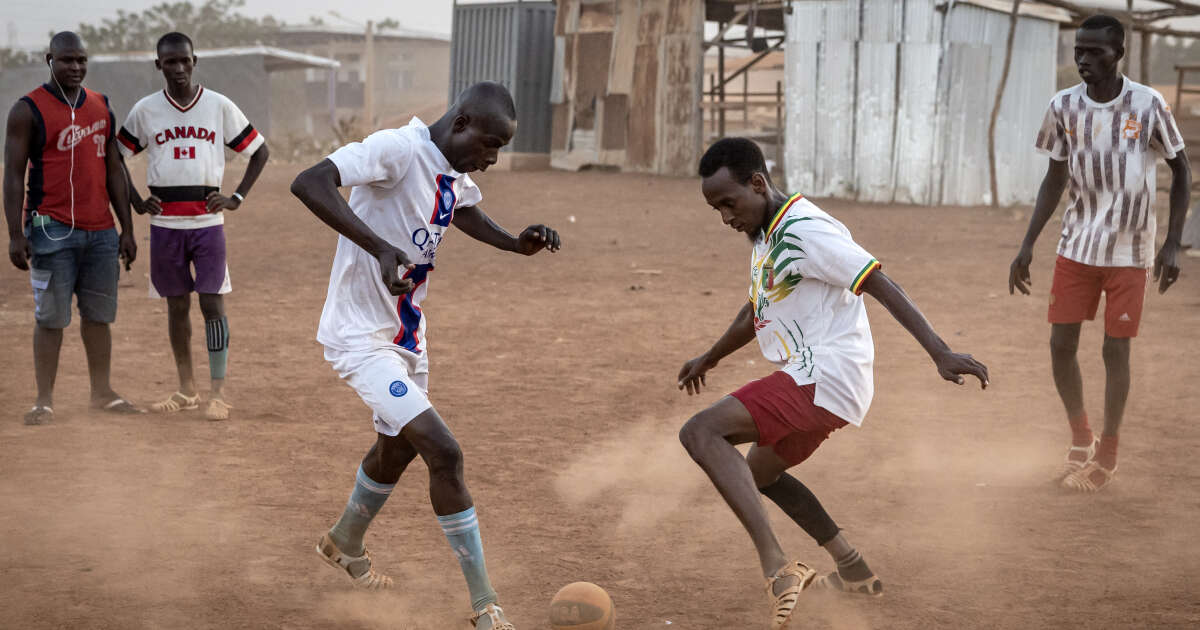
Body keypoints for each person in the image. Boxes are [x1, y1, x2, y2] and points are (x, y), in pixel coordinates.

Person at [677, 138, 988, 629]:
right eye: (716, 208)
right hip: (818, 382)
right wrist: (708, 358)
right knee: (758, 475)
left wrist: (939, 351)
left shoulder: (807, 230)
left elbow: (878, 281)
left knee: (700, 432)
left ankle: (779, 568)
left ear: (758, 183)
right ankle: (851, 565)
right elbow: (754, 311)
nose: (724, 217)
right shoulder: (766, 234)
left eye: (728, 203)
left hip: (823, 376)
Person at [290, 81, 560, 630]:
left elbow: (458, 208)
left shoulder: (452, 170)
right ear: (460, 123)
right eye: (490, 144)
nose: (493, 158)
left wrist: (514, 243)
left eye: (500, 148)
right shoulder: (397, 148)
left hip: (407, 338)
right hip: (361, 338)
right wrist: (380, 246)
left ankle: (344, 541)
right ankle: (487, 607)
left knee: (399, 449)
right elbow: (309, 181)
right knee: (444, 451)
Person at [1009, 14, 1190, 493]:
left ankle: (1107, 453)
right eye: (1078, 52)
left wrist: (1173, 242)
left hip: (1131, 249)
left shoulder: (1147, 104)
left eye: (1095, 52)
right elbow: (1055, 177)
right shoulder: (1063, 106)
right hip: (1077, 244)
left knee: (1115, 350)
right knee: (1060, 346)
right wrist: (1027, 244)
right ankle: (1080, 436)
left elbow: (1182, 169)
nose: (1084, 60)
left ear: (1118, 54)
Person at [118, 31, 270, 421]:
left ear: (194, 61)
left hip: (207, 223)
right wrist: (136, 200)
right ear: (159, 66)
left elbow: (259, 150)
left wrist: (237, 197)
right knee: (176, 306)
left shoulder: (218, 106)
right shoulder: (146, 110)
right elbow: (115, 157)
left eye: (185, 60)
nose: (179, 68)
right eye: (170, 62)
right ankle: (186, 389)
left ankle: (217, 392)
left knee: (212, 303)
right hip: (165, 224)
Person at [3, 31, 140, 425]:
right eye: (67, 60)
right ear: (50, 60)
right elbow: (13, 175)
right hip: (51, 231)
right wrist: (15, 232)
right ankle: (44, 399)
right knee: (51, 318)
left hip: (101, 233)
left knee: (99, 317)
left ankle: (102, 392)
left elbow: (114, 168)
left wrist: (126, 229)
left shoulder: (101, 106)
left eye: (81, 60)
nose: (76, 67)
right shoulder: (27, 109)